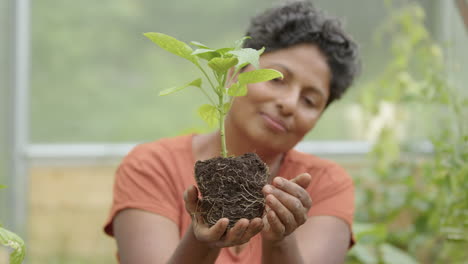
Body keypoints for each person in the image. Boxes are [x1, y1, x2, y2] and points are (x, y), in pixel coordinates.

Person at [103, 1, 360, 263]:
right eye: (276, 79)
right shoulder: (153, 166)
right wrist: (203, 238)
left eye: (309, 101)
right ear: (234, 74)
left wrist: (280, 239)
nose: (290, 104)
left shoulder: (324, 184)